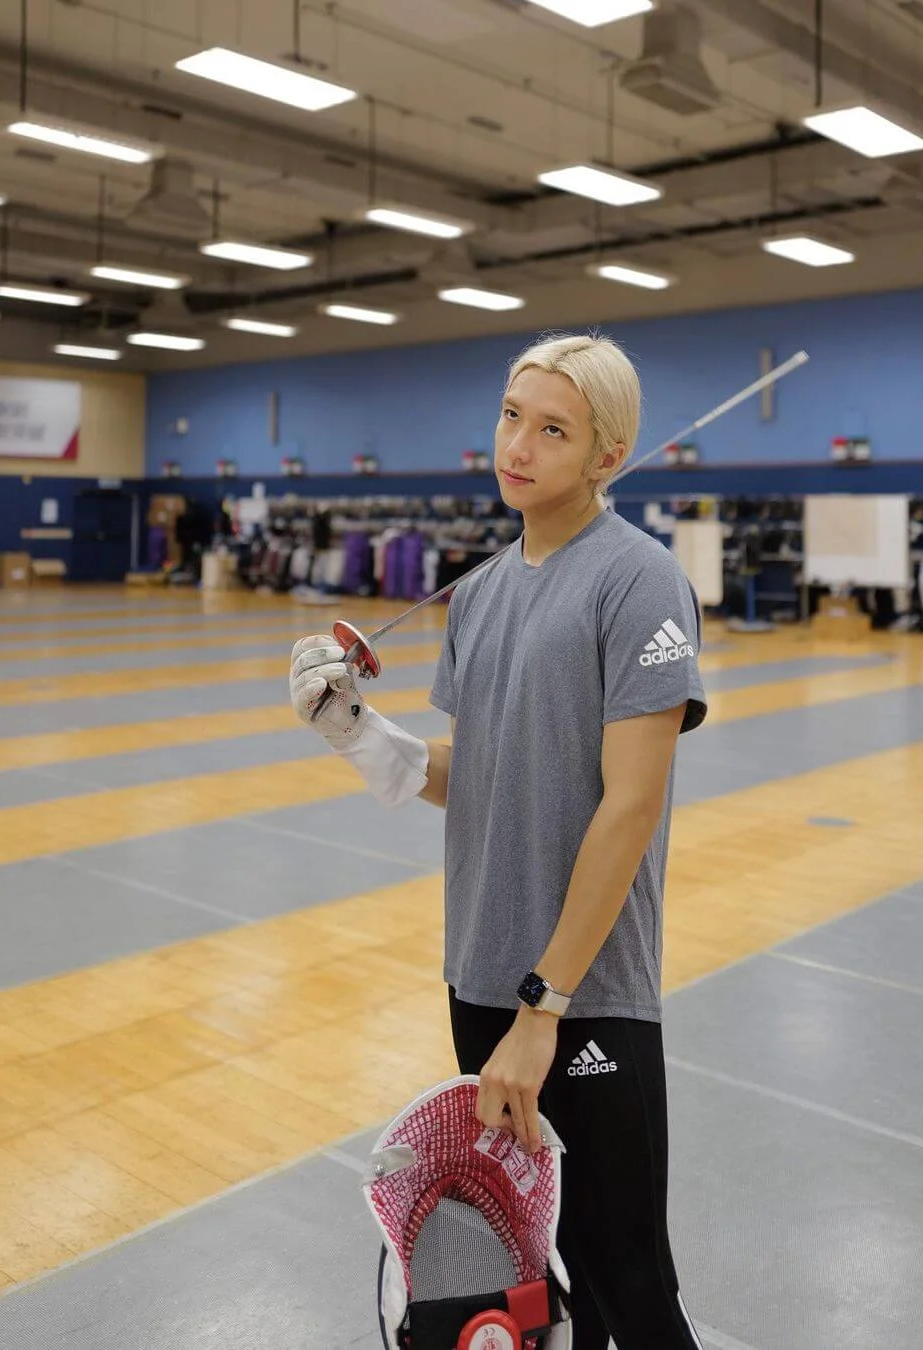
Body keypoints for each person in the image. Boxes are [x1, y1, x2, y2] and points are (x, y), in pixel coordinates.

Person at [290, 333, 707, 1349]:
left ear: (609, 454)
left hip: (583, 997)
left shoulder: (641, 581)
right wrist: (358, 733)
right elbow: (477, 777)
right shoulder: (476, 594)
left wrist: (544, 1007)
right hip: (479, 977)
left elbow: (630, 807)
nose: (517, 445)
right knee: (544, 1279)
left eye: (553, 429)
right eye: (512, 415)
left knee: (629, 1285)